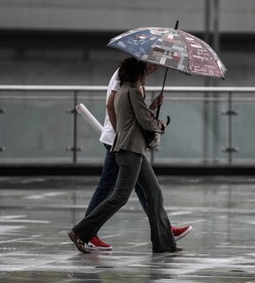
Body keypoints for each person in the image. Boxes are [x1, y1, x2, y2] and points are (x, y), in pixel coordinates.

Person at [68, 58, 184, 253]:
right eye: (147, 69)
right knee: (119, 196)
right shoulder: (131, 92)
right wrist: (161, 125)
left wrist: (153, 105)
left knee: (153, 192)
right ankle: (81, 231)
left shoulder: (125, 91)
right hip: (130, 149)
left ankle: (164, 242)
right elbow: (145, 122)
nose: (150, 72)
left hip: (132, 149)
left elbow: (135, 116)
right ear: (137, 73)